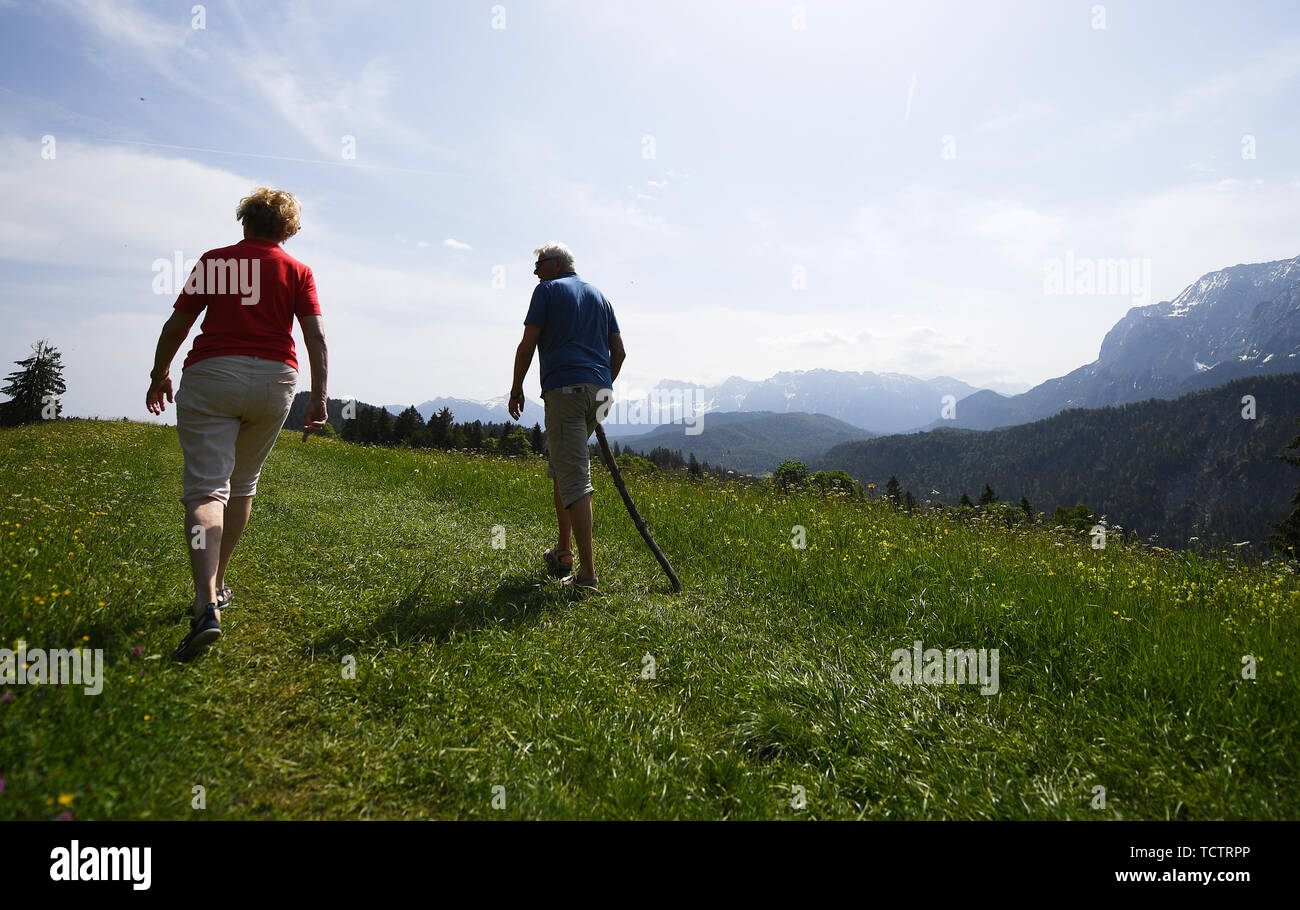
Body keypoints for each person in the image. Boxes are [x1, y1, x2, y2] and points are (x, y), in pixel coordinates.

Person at [146, 187, 329, 660]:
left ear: (244, 220)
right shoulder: (299, 271)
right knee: (243, 484)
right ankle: (220, 582)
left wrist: (159, 374)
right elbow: (316, 339)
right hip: (275, 381)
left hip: (212, 374)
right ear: (287, 228)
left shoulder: (215, 261)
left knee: (208, 490)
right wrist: (319, 398)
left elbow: (177, 326)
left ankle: (206, 601)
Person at [508, 242, 625, 594]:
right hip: (599, 394)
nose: (535, 271)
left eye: (539, 263)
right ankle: (563, 552)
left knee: (574, 477)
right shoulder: (599, 295)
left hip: (565, 392)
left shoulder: (546, 291)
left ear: (557, 263)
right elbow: (618, 352)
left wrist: (516, 389)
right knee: (562, 468)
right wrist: (600, 385)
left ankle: (587, 577)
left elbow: (527, 345)